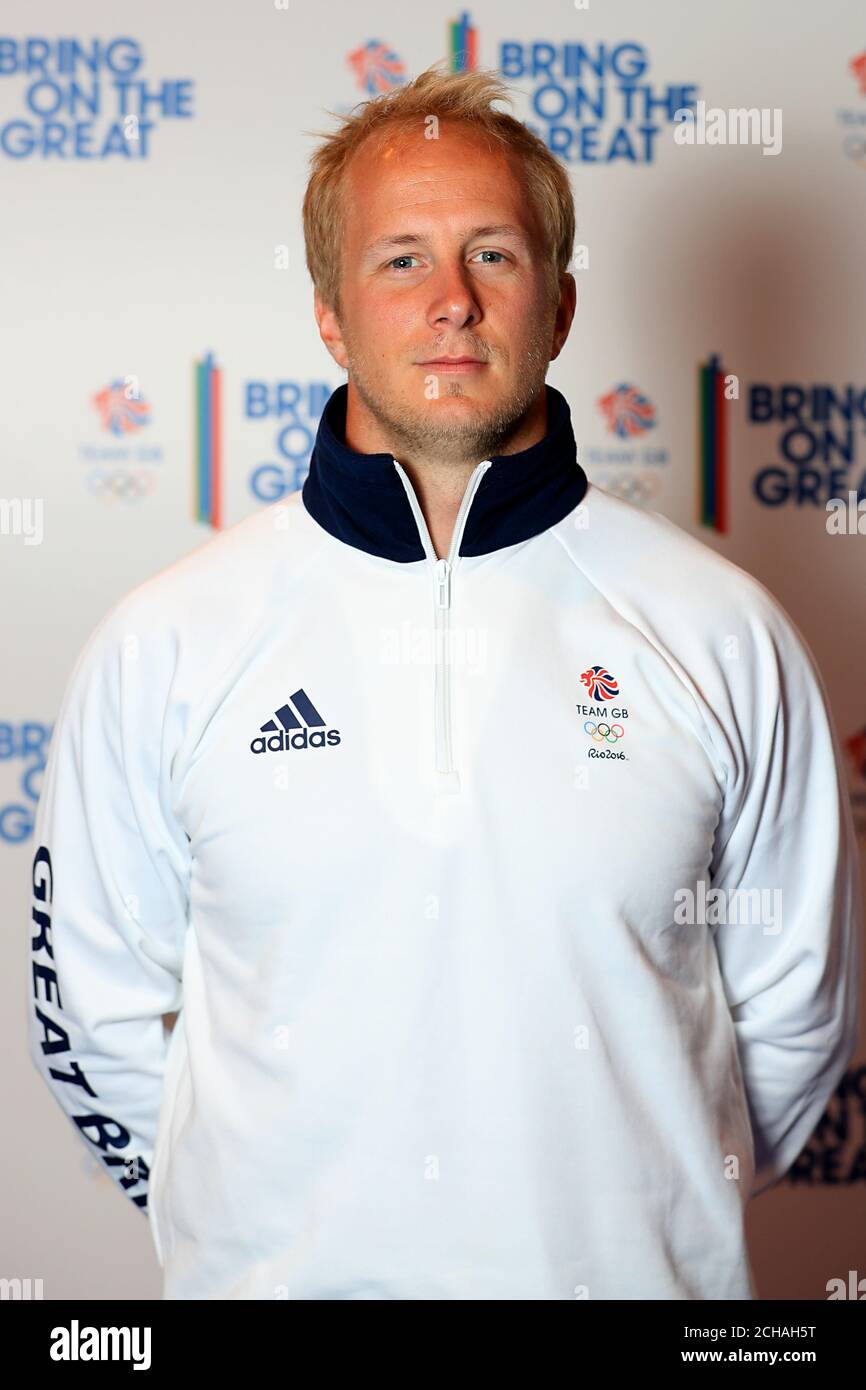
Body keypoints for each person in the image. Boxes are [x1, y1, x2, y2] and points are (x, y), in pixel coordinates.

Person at [28, 63, 862, 1301]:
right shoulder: (170, 642)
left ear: (561, 304)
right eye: (401, 259)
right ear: (328, 311)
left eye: (493, 255)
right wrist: (261, 1228)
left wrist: (639, 1205)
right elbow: (90, 1023)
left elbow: (796, 1024)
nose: (453, 304)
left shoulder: (718, 629)